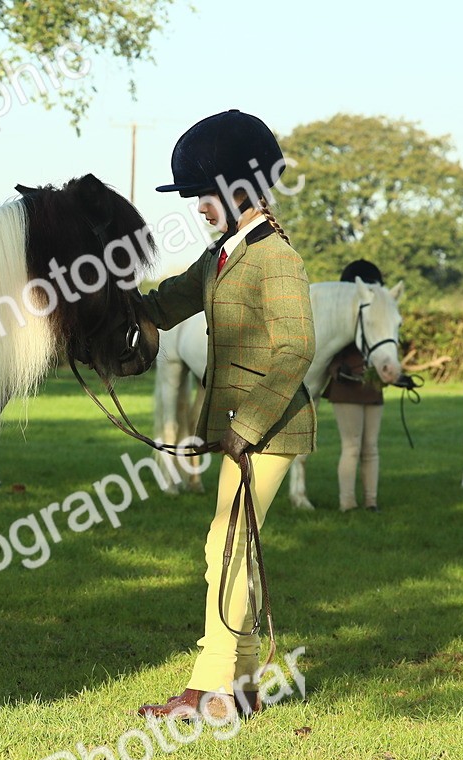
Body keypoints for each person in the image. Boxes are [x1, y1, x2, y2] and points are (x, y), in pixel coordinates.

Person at [136, 110, 316, 720]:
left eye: (204, 194)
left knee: (225, 546)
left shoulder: (276, 258)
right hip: (243, 429)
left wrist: (246, 427)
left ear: (241, 189)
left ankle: (211, 688)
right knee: (231, 545)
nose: (198, 207)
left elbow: (295, 350)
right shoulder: (223, 254)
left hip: (270, 428)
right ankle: (242, 687)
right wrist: (104, 310)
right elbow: (164, 304)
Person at [322, 259, 386, 512]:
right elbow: (329, 353)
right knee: (352, 446)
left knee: (370, 447)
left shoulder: (377, 320)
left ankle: (371, 501)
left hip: (371, 387)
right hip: (346, 388)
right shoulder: (343, 320)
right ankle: (347, 502)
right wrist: (339, 369)